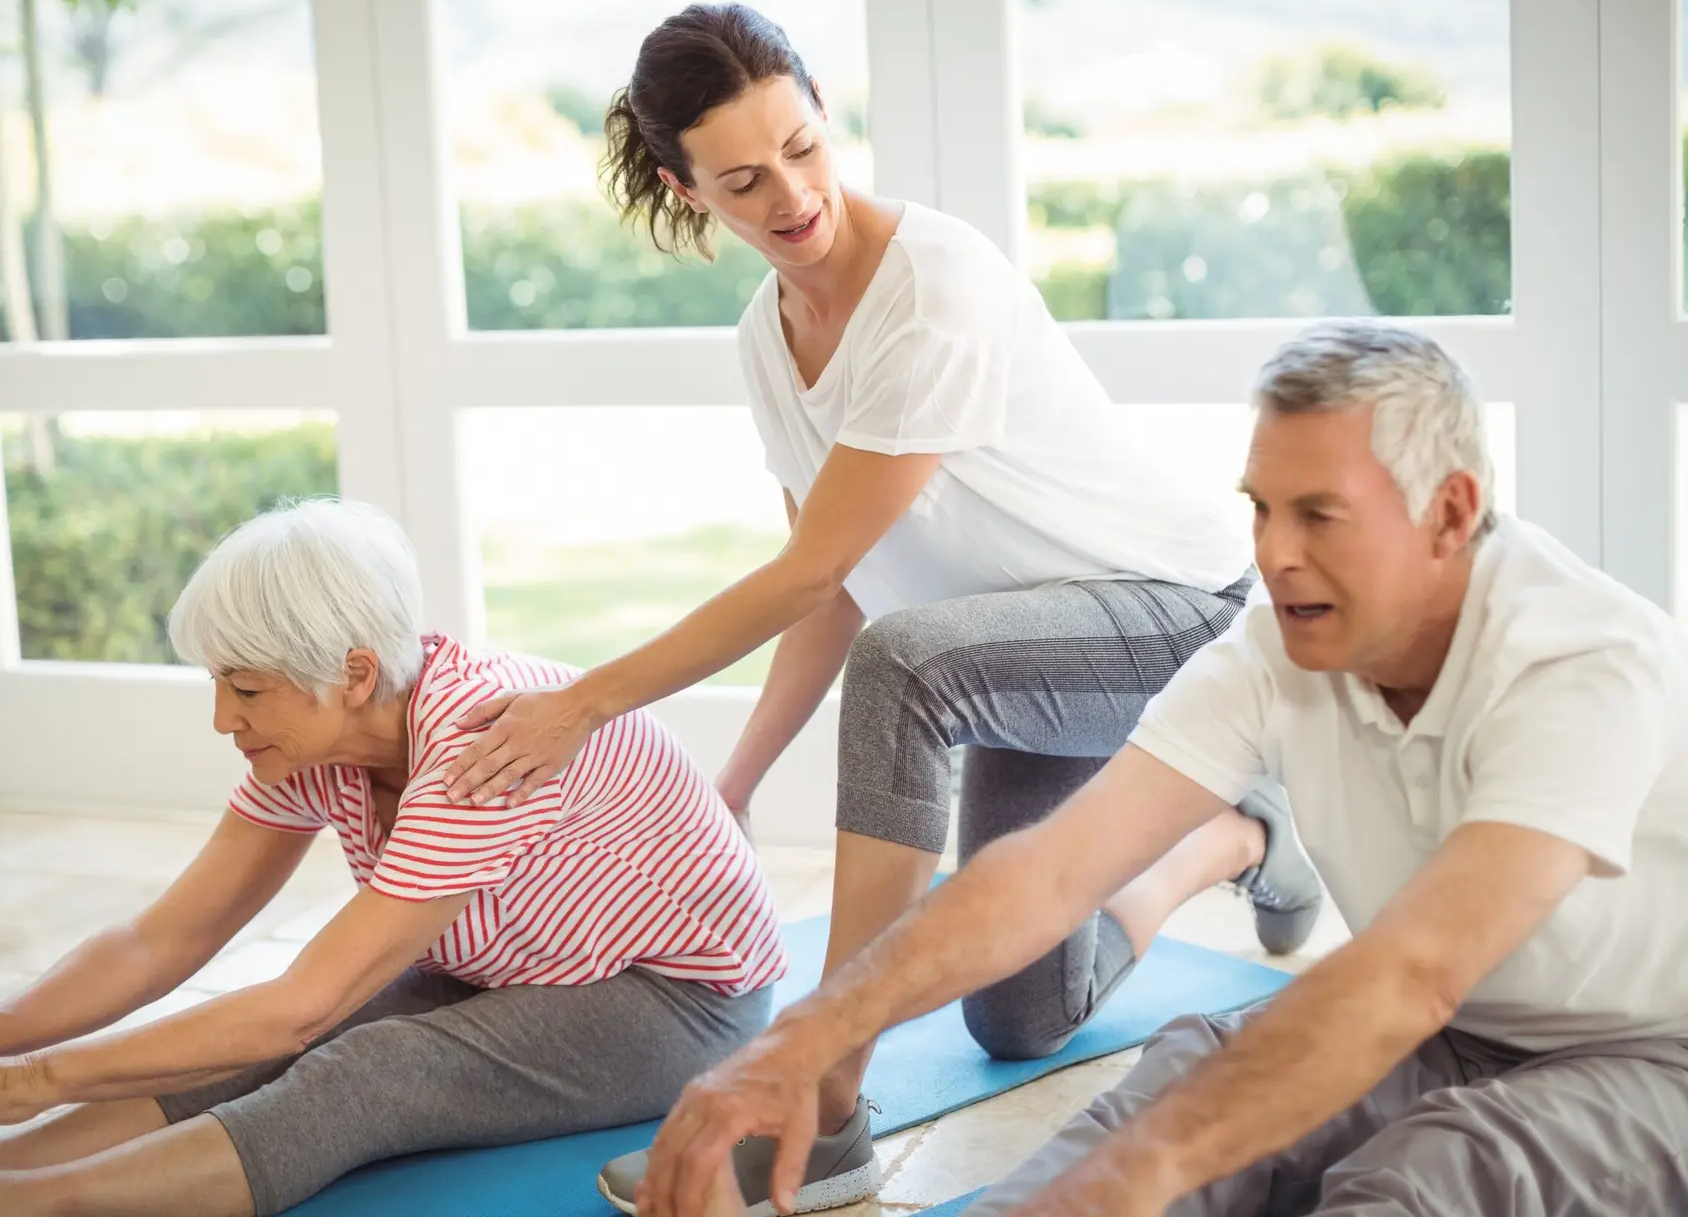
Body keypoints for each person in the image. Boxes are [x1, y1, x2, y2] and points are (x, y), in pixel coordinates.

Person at [437, 4, 1322, 1212]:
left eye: (804, 146)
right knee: (1020, 1016)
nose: (793, 194)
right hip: (1013, 654)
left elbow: (814, 576)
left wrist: (581, 707)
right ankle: (1251, 834)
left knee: (910, 666)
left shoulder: (935, 285)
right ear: (682, 187)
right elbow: (836, 574)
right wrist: (734, 782)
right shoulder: (768, 337)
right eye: (744, 180)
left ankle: (826, 1102)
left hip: (1182, 610)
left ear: (821, 109)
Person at [625, 320, 1688, 1217]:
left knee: (1418, 1180)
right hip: (1457, 1027)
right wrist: (810, 1034)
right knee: (1168, 1088)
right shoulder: (1282, 641)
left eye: (1319, 513)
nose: (1273, 551)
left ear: (1449, 514)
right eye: (1263, 508)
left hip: (1653, 1054)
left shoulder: (1579, 658)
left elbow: (1417, 971)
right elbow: (1050, 869)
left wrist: (1145, 1176)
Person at [0, 499, 784, 1217]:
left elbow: (304, 1003)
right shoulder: (324, 742)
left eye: (247, 688)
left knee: (363, 1058)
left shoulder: (478, 749)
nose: (222, 717)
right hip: (510, 971)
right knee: (252, 1029)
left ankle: (13, 1210)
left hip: (678, 1003)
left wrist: (30, 1076)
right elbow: (161, 938)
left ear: (352, 671)